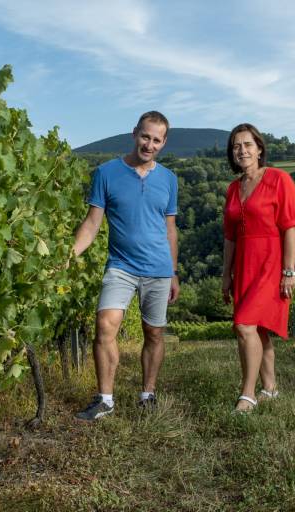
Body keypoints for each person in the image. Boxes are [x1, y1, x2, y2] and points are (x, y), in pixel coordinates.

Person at [71, 111, 180, 421]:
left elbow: (170, 229)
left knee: (154, 333)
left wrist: (174, 272)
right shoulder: (106, 173)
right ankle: (105, 399)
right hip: (120, 265)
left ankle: (148, 394)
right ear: (135, 133)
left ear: (163, 143)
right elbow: (92, 224)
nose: (149, 144)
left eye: (156, 140)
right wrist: (70, 254)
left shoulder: (169, 179)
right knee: (105, 325)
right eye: (145, 136)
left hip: (159, 268)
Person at [221, 123, 295, 413]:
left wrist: (288, 271)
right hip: (243, 264)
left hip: (269, 261)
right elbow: (229, 237)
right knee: (258, 331)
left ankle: (248, 394)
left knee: (244, 325)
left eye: (247, 145)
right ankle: (270, 388)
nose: (241, 150)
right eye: (236, 146)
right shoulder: (233, 188)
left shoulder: (279, 179)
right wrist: (226, 274)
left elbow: (290, 227)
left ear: (259, 149)